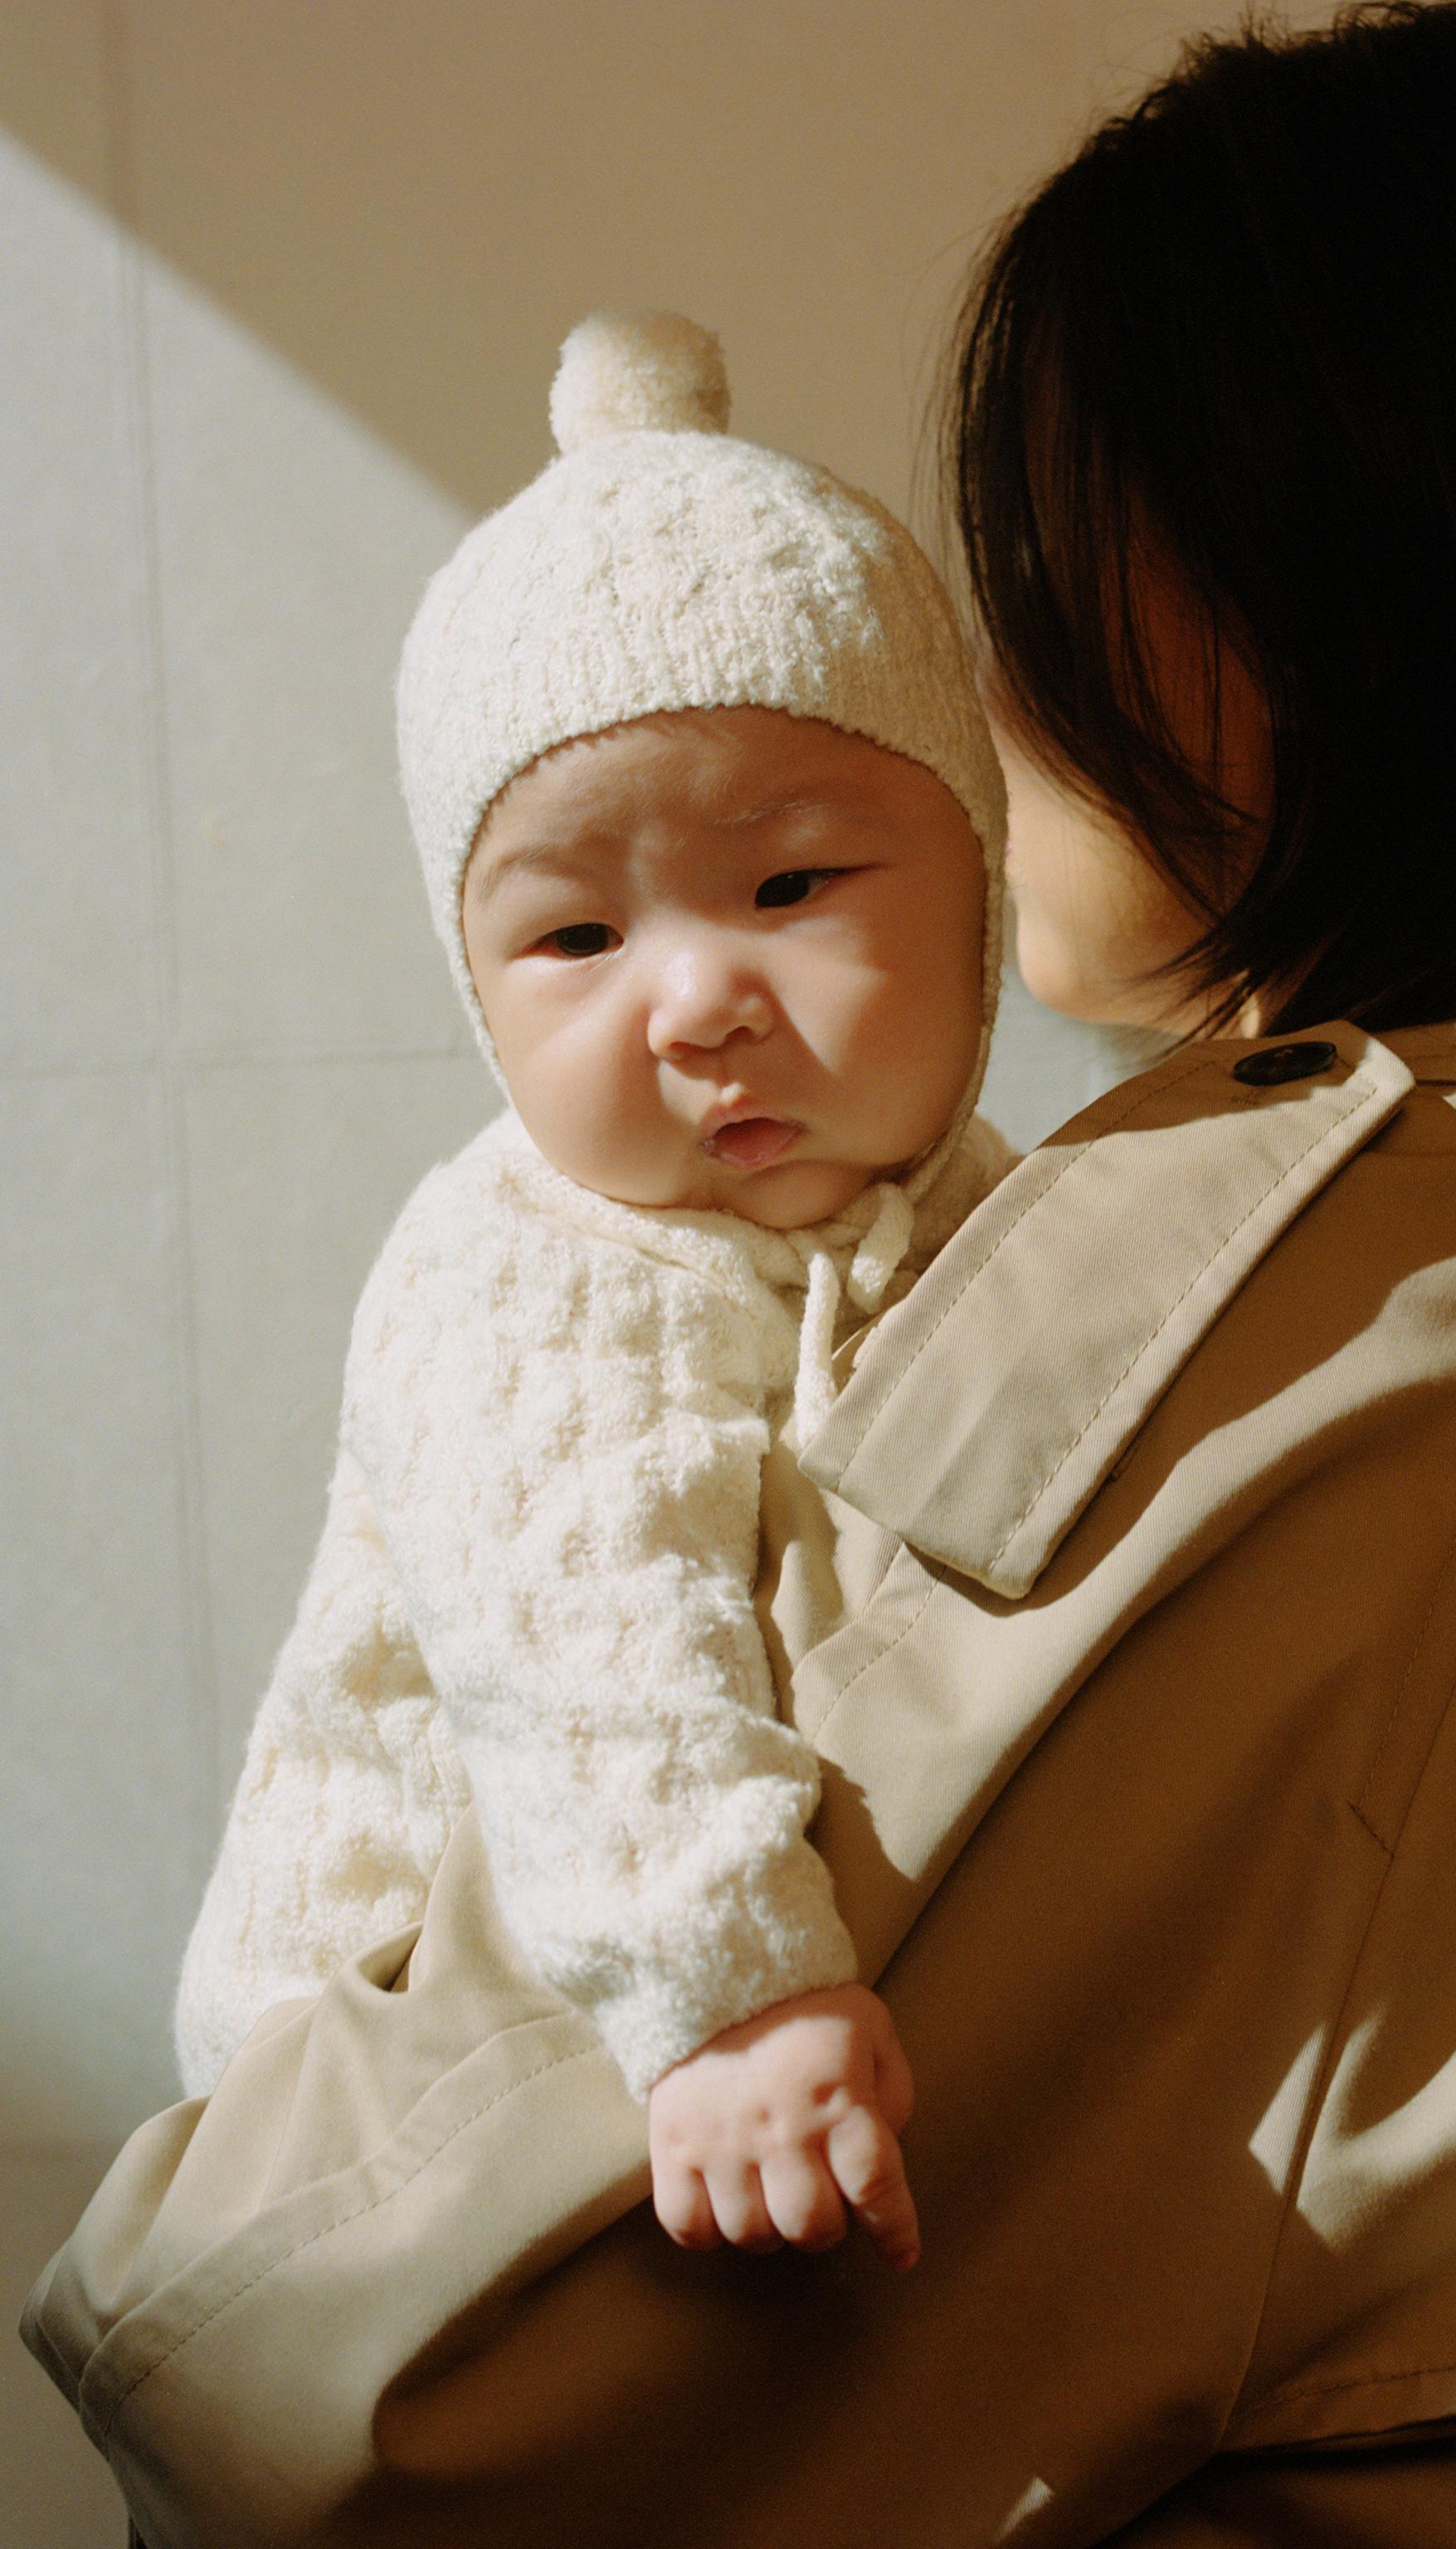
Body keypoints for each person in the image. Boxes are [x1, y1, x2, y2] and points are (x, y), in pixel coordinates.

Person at [24, 4, 1456, 2541]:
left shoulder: (1280, 1266)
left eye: (1039, 543)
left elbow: (335, 2388)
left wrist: (175, 2240)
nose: (998, 661)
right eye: (572, 926)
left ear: (1303, 569)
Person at [168, 307, 1014, 2275]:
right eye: (573, 931)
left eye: (791, 884)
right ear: (476, 992)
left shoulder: (970, 1205)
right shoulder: (530, 1266)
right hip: (395, 2085)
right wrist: (724, 1987)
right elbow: (584, 1643)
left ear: (974, 877)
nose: (696, 996)